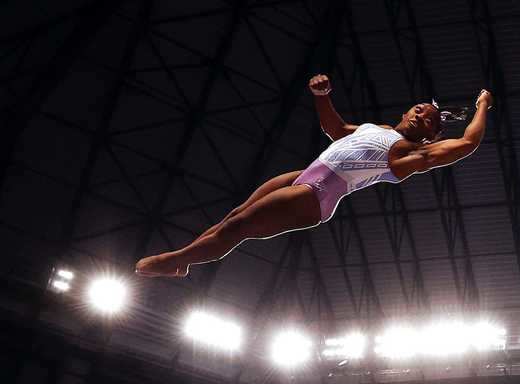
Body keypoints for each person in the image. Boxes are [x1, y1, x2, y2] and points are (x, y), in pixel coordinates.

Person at [135, 74, 493, 277]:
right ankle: (182, 260)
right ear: (406, 109)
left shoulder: (413, 154)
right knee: (234, 215)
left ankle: (177, 261)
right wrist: (322, 95)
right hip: (306, 174)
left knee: (238, 227)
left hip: (319, 194)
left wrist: (482, 106)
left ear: (431, 135)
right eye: (419, 108)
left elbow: (468, 142)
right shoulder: (377, 127)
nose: (421, 115)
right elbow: (336, 129)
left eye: (429, 119)